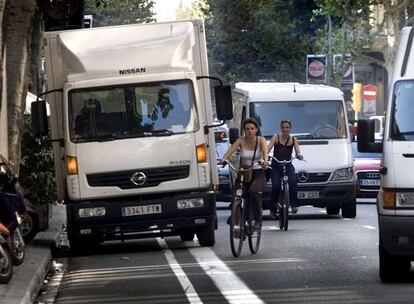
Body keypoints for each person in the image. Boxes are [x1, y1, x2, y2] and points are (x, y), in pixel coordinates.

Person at [219, 118, 268, 230]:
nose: (249, 131)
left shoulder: (261, 140)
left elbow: (265, 152)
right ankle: (237, 218)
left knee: (254, 192)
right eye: (247, 129)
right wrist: (223, 159)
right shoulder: (241, 140)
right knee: (236, 194)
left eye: (252, 129)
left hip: (257, 172)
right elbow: (231, 150)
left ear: (256, 129)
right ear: (244, 130)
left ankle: (258, 221)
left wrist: (265, 161)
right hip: (243, 173)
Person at [267, 120, 303, 214]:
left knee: (293, 182)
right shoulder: (276, 137)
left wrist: (299, 155)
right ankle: (273, 208)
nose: (285, 129)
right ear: (281, 128)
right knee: (276, 186)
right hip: (276, 165)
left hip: (288, 164)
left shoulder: (293, 139)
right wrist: (265, 155)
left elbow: (297, 150)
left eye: (287, 127)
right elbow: (268, 148)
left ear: (290, 128)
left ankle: (294, 204)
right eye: (283, 127)